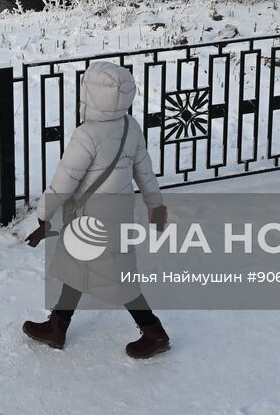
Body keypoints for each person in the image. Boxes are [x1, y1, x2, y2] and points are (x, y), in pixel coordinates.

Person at [21, 61, 171, 359]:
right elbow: (145, 171)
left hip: (92, 218)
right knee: (77, 267)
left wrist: (44, 212)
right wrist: (155, 204)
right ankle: (58, 325)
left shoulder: (86, 135)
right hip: (114, 213)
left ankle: (155, 332)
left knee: (118, 276)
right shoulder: (131, 126)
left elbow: (64, 180)